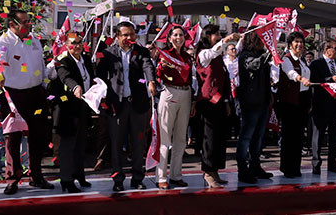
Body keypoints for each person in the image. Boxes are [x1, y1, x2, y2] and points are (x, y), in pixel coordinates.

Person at [0, 10, 53, 195]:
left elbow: (40, 65)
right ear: (12, 25)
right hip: (13, 95)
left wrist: (45, 85)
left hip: (36, 94)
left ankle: (36, 176)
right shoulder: (3, 42)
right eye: (25, 22)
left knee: (37, 136)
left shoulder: (33, 40)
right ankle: (12, 179)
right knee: (13, 139)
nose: (29, 25)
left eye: (29, 21)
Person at [97, 21, 158, 191]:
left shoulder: (141, 51)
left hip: (137, 104)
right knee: (116, 144)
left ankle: (138, 178)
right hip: (116, 105)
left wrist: (151, 81)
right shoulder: (108, 53)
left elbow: (147, 67)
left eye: (131, 34)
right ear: (117, 37)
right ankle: (118, 179)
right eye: (125, 35)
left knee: (138, 143)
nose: (129, 38)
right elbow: (100, 76)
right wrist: (101, 94)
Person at [196, 25, 239, 188]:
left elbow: (224, 80)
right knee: (210, 138)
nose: (219, 36)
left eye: (220, 34)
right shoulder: (203, 54)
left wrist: (227, 102)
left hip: (220, 101)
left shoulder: (219, 58)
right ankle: (207, 171)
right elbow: (212, 52)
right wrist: (226, 40)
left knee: (220, 138)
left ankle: (215, 170)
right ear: (207, 36)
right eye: (215, 34)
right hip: (208, 102)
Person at [155, 25, 194, 190]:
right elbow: (159, 75)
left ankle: (176, 175)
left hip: (185, 93)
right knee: (165, 138)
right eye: (175, 35)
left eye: (181, 35)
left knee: (180, 138)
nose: (179, 38)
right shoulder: (165, 55)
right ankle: (161, 176)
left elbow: (190, 78)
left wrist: (193, 101)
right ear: (169, 38)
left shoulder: (186, 56)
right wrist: (163, 66)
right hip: (169, 92)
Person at [55, 35, 96, 193]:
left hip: (84, 106)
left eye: (79, 43)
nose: (77, 46)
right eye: (73, 44)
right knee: (68, 146)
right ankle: (66, 179)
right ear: (66, 45)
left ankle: (79, 174)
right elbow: (66, 77)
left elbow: (91, 77)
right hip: (68, 108)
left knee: (80, 144)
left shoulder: (85, 59)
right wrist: (75, 87)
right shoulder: (62, 60)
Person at [235, 30, 274, 183]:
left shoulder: (262, 54)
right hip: (250, 102)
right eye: (261, 39)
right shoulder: (245, 55)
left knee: (258, 138)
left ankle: (255, 166)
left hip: (262, 100)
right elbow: (255, 65)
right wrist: (271, 52)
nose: (263, 42)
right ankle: (242, 170)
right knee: (245, 137)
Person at [276, 31, 311, 178]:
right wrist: (300, 78)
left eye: (301, 42)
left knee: (298, 137)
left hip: (302, 100)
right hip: (289, 102)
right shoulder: (286, 59)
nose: (299, 44)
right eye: (296, 42)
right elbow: (290, 73)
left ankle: (296, 167)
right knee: (289, 136)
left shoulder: (302, 60)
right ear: (290, 44)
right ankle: (287, 168)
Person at [309, 38, 336, 175]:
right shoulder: (316, 64)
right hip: (321, 105)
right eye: (335, 49)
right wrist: (330, 79)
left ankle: (332, 163)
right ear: (327, 49)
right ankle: (316, 163)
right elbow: (314, 81)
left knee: (334, 135)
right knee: (318, 135)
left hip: (335, 105)